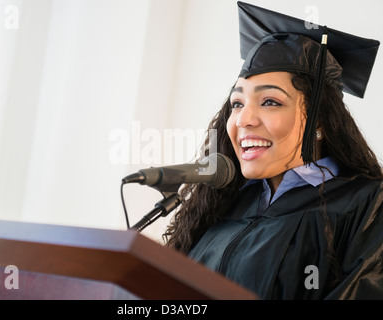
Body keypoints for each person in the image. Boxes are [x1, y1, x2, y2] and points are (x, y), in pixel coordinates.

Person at [163, 2, 383, 299]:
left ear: (319, 119)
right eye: (237, 104)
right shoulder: (224, 202)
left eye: (270, 102)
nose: (244, 120)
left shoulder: (367, 204)